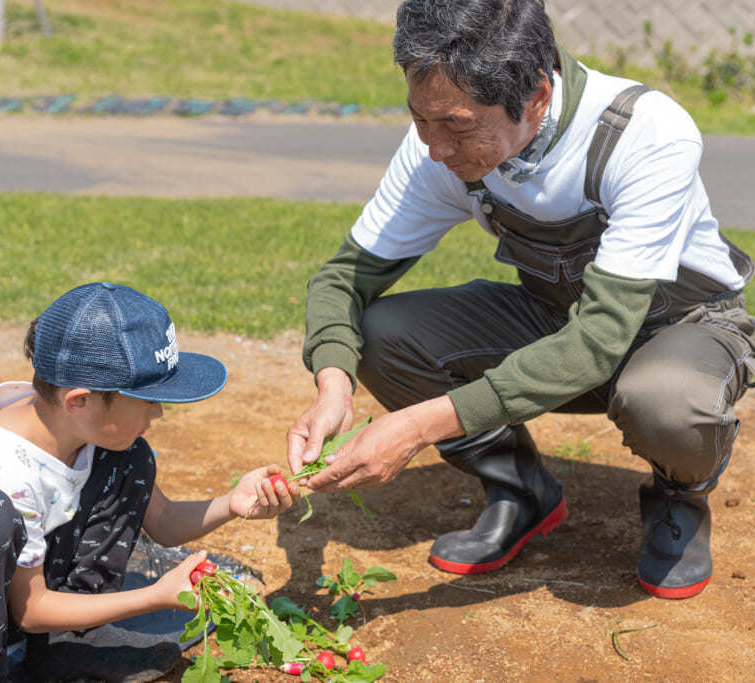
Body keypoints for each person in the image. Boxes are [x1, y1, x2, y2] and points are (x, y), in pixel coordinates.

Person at [287, 0, 754, 600]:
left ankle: (679, 495)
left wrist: (418, 427)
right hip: (559, 321)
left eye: (457, 126)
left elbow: (597, 341)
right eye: (420, 119)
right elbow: (343, 280)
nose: (435, 148)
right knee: (382, 335)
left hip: (682, 329)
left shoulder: (646, 133)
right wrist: (333, 384)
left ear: (537, 96)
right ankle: (521, 490)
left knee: (665, 401)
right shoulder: (440, 141)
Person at [0, 281, 300, 682]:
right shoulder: (6, 472)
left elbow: (165, 521)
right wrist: (155, 596)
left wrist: (232, 502)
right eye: (148, 400)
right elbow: (31, 611)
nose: (158, 412)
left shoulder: (72, 424)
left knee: (130, 455)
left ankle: (70, 639)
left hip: (23, 591)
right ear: (79, 401)